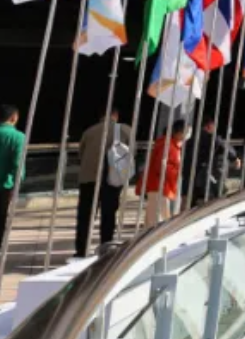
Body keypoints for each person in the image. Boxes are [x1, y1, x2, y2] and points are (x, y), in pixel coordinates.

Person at [75, 105, 133, 258]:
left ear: (101, 116)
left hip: (88, 178)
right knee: (108, 215)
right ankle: (106, 248)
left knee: (85, 215)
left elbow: (80, 155)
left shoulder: (89, 131)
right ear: (116, 116)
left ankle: (81, 250)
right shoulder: (125, 130)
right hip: (112, 179)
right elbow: (131, 154)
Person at [137, 120, 187, 226]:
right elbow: (161, 166)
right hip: (160, 186)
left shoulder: (169, 144)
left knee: (154, 219)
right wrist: (177, 172)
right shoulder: (168, 145)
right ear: (179, 132)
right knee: (158, 221)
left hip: (160, 186)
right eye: (186, 132)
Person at [188, 115, 239, 207]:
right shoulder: (211, 138)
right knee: (216, 194)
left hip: (195, 172)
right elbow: (225, 147)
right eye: (214, 126)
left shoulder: (192, 138)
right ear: (209, 126)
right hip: (209, 172)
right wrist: (235, 158)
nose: (215, 128)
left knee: (196, 196)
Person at [0, 105, 25, 252]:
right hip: (3, 185)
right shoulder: (17, 137)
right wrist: (17, 184)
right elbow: (17, 164)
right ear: (14, 117)